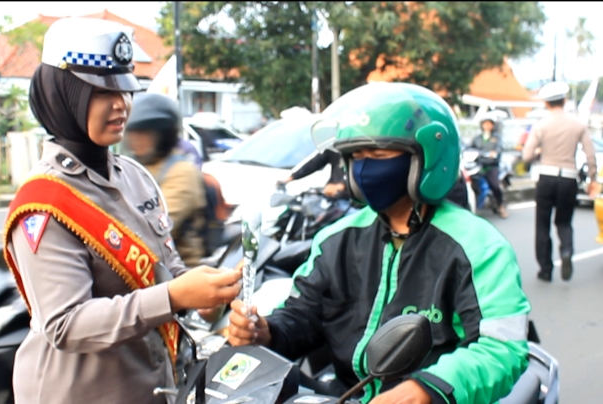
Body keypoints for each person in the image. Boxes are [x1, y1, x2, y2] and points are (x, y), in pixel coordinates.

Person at [228, 82, 531, 404]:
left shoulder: (478, 247)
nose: (365, 168)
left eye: (379, 155)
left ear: (425, 159)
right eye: (356, 156)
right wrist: (265, 331)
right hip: (346, 394)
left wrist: (427, 388)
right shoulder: (336, 239)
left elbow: (502, 349)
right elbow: (303, 314)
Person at [2, 18, 242, 404]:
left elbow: (165, 270)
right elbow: (65, 324)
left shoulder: (135, 176)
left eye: (127, 89)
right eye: (100, 91)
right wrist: (174, 296)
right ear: (65, 93)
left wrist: (213, 289)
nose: (121, 104)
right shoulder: (43, 205)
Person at [522, 81, 599, 282]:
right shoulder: (578, 125)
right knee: (564, 222)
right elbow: (590, 156)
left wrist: (539, 155)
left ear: (546, 103)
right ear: (564, 101)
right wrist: (593, 178)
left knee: (542, 225)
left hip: (546, 177)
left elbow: (526, 155)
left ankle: (545, 270)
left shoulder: (540, 125)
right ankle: (566, 250)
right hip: (568, 179)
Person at [124, 92, 208, 267]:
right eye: (133, 133)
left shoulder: (182, 172)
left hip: (179, 274)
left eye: (143, 133)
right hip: (142, 266)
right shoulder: (134, 167)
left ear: (163, 134)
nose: (135, 140)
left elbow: (154, 228)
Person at [470, 115, 508, 218]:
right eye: (485, 123)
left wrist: (492, 154)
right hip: (479, 166)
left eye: (489, 123)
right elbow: (470, 149)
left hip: (491, 166)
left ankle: (501, 206)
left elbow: (498, 150)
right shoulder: (477, 138)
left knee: (495, 186)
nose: (487, 126)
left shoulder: (496, 137)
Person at [278, 148, 350, 201]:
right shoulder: (333, 149)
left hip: (351, 199)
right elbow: (314, 163)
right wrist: (291, 178)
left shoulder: (354, 149)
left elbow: (357, 169)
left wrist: (341, 185)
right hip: (331, 197)